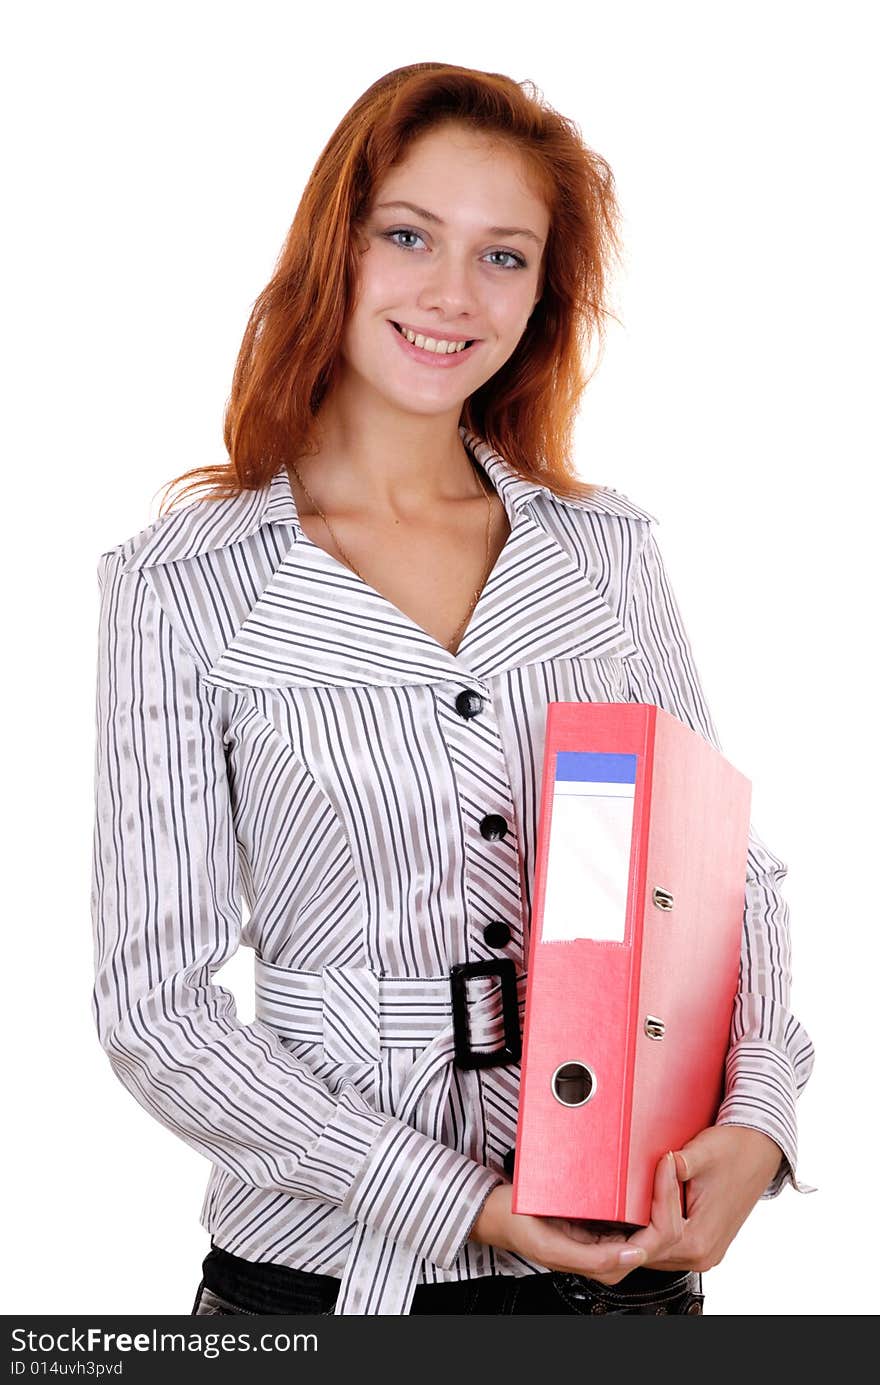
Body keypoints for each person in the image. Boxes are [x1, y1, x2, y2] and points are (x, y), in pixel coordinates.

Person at [90, 61, 814, 1318]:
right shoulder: (186, 583)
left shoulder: (603, 552)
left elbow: (723, 881)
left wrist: (759, 1115)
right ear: (337, 251)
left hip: (627, 1268)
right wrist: (460, 1200)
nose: (449, 294)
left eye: (503, 256)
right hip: (327, 1280)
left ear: (543, 293)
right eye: (409, 235)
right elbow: (156, 1009)